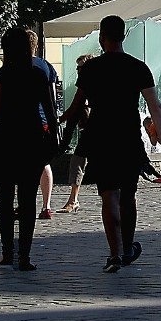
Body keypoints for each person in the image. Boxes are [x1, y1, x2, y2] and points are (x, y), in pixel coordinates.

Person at [63, 15, 161, 274]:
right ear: (123, 36)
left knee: (109, 196)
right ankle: (126, 249)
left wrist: (63, 132)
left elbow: (76, 106)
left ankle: (114, 254)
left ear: (102, 37)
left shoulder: (91, 69)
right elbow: (155, 108)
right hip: (127, 138)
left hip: (101, 137)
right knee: (128, 195)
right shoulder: (137, 67)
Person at [0, 27, 58, 271]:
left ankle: (7, 252)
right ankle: (25, 257)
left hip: (6, 141)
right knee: (28, 199)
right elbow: (50, 111)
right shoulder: (38, 74)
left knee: (5, 198)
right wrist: (55, 138)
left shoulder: (4, 74)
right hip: (32, 140)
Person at [26, 29, 59, 221]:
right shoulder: (46, 66)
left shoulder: (13, 66)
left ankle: (23, 205)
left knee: (20, 164)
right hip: (43, 121)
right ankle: (46, 205)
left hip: (20, 123)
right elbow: (52, 99)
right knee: (44, 162)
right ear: (36, 45)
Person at [57, 53, 95, 213]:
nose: (77, 70)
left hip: (95, 131)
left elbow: (75, 107)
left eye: (80, 67)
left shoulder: (88, 81)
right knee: (78, 160)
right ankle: (73, 199)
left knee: (78, 161)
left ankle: (73, 200)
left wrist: (58, 120)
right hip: (97, 131)